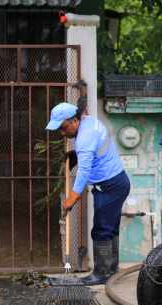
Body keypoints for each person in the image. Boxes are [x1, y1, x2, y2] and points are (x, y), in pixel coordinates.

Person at [46, 103, 131, 285]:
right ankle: (111, 269)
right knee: (109, 228)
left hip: (109, 187)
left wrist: (72, 198)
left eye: (63, 128)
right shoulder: (89, 122)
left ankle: (101, 273)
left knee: (101, 230)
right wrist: (75, 154)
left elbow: (83, 171)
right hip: (117, 183)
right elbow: (95, 149)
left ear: (74, 120)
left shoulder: (84, 138)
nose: (62, 133)